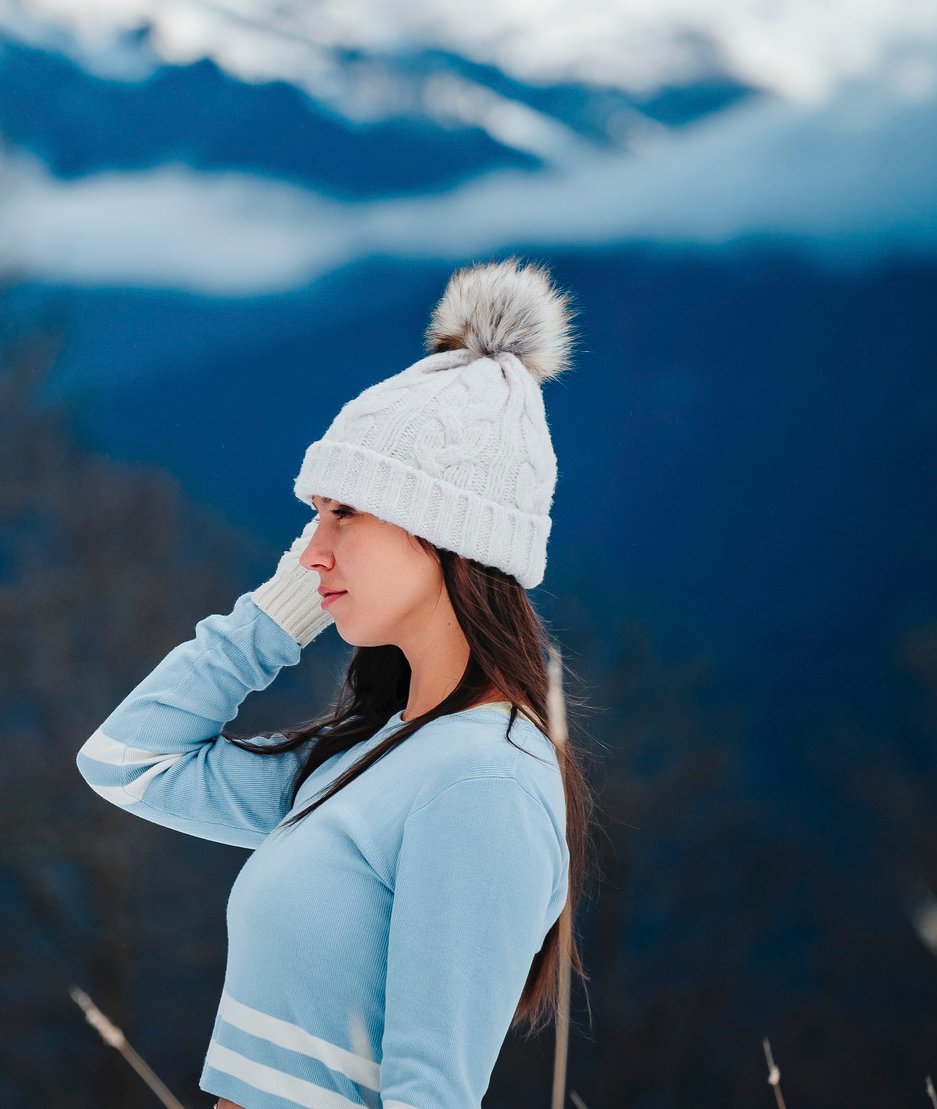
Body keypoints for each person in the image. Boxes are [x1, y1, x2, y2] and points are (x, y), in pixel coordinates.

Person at [78, 258, 591, 1109]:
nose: (309, 548)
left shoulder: (483, 783)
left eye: (343, 511)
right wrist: (282, 610)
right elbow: (129, 760)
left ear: (444, 530)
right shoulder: (378, 754)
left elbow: (431, 1097)